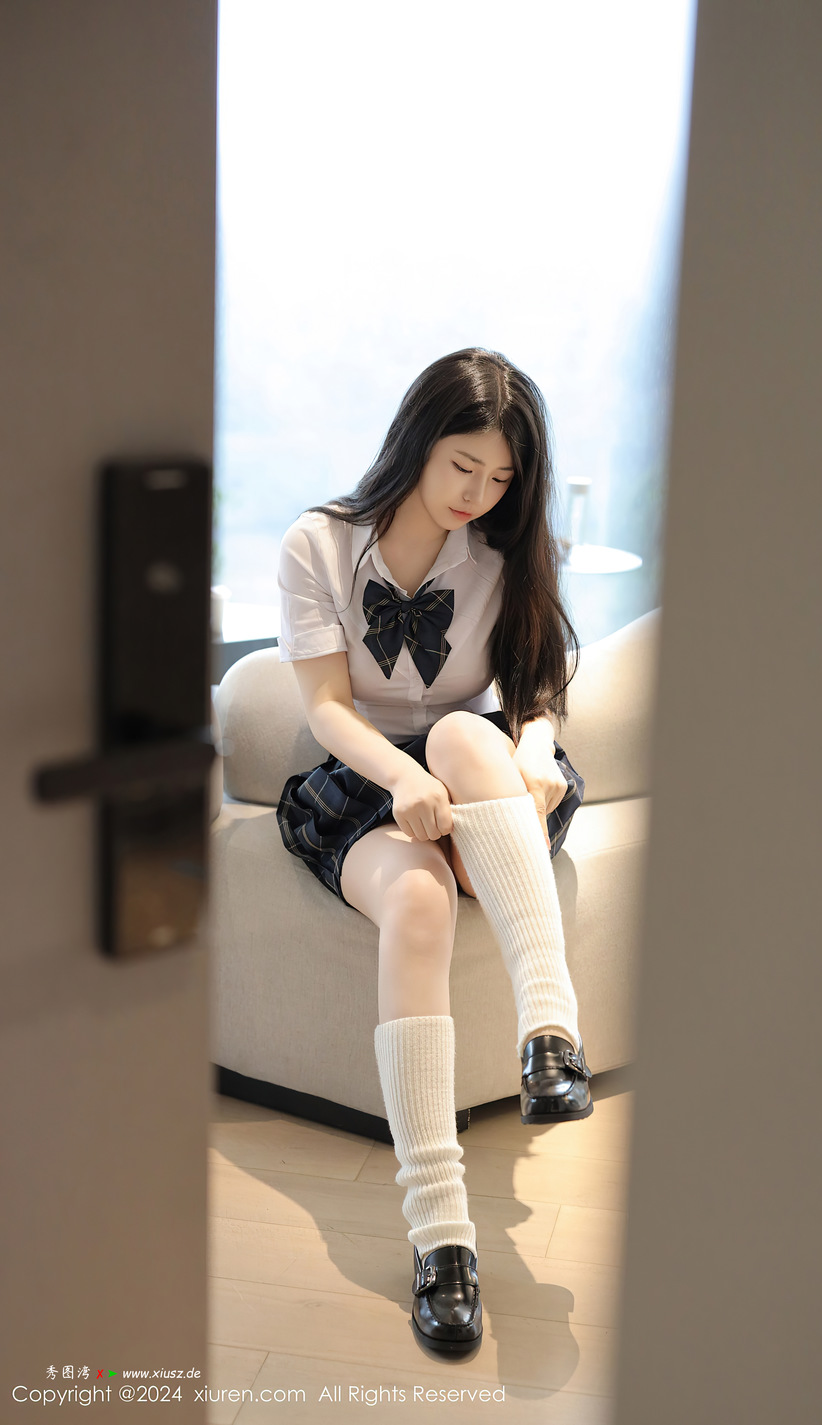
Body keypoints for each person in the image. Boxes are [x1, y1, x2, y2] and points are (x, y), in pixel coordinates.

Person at [274, 347, 593, 1356]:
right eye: (463, 466)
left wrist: (532, 745)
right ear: (417, 439)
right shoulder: (319, 544)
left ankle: (551, 1036)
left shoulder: (501, 552)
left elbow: (534, 686)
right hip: (363, 780)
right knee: (414, 901)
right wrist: (399, 779)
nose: (477, 495)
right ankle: (440, 1238)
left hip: (483, 779)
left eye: (500, 478)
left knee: (462, 733)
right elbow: (326, 705)